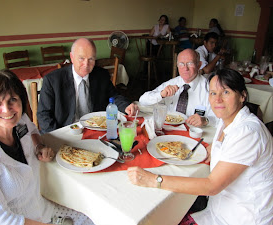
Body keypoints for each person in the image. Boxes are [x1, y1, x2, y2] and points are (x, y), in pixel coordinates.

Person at [128, 68, 273, 225]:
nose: (217, 99)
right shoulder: (228, 121)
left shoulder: (248, 132)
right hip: (221, 209)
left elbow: (212, 186)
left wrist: (153, 180)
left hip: (242, 218)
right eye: (212, 93)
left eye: (225, 92)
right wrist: (214, 147)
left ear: (242, 95)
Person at [0, 69, 95, 225]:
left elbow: (32, 129)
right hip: (22, 221)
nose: (7, 109)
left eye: (12, 99)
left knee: (93, 219)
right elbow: (0, 221)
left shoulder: (20, 122)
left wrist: (38, 146)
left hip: (41, 209)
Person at [37, 38, 138, 133]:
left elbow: (114, 96)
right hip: (66, 131)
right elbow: (43, 115)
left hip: (95, 129)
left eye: (91, 59)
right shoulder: (52, 80)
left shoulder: (101, 75)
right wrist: (58, 136)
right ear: (72, 57)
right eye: (81, 58)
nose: (86, 64)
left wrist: (126, 106)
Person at [139, 48, 216, 127]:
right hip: (170, 130)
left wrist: (206, 120)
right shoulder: (171, 83)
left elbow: (221, 118)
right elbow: (143, 100)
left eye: (190, 63)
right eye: (181, 64)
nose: (185, 68)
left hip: (196, 132)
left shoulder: (209, 88)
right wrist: (161, 94)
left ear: (199, 65)